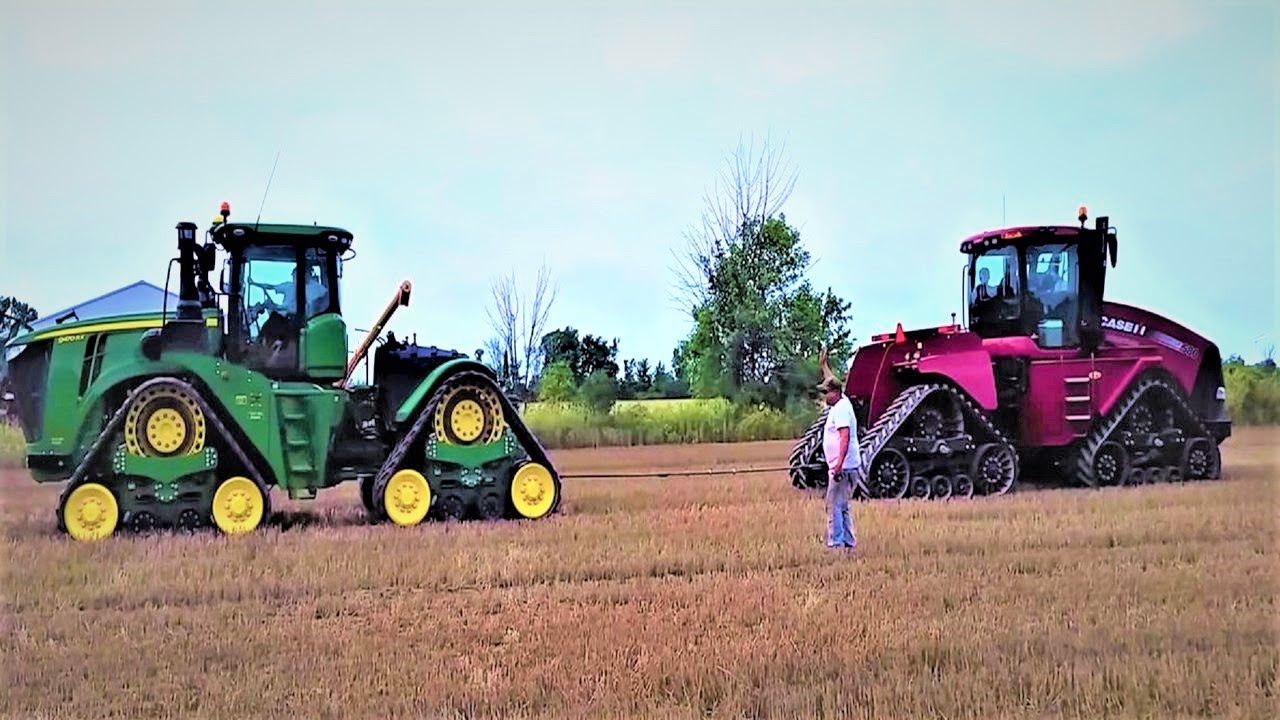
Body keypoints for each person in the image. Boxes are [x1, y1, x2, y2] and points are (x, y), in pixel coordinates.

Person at [819, 375, 859, 550]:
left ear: (835, 392)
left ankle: (836, 543)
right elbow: (832, 378)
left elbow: (845, 436)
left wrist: (838, 464)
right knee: (842, 505)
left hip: (842, 466)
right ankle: (848, 542)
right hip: (847, 464)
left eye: (826, 392)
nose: (824, 396)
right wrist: (824, 366)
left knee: (834, 505)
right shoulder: (843, 402)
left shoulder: (841, 409)